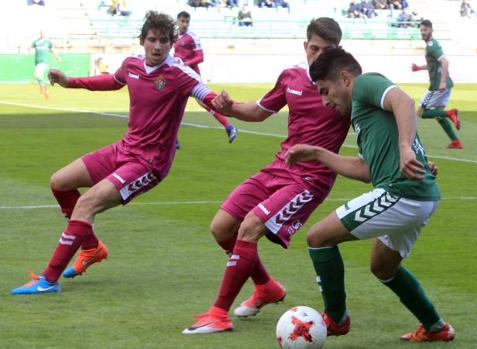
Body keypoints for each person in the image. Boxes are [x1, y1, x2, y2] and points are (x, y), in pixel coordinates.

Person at [11, 11, 225, 295]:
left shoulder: (179, 73)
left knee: (86, 204)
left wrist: (220, 103)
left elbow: (205, 94)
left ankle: (48, 280)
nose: (158, 46)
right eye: (152, 40)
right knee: (59, 182)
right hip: (124, 148)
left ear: (172, 43)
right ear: (142, 41)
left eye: (164, 41)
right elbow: (113, 80)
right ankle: (91, 247)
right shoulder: (132, 64)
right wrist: (69, 81)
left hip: (149, 164)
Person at [181, 18, 350, 335]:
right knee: (221, 227)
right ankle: (266, 287)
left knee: (250, 227)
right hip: (279, 168)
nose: (318, 56)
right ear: (305, 46)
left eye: (327, 51)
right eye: (314, 48)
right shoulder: (292, 76)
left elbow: (376, 121)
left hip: (310, 180)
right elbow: (258, 111)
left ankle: (218, 313)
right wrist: (228, 107)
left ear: (338, 52)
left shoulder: (347, 85)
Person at [285, 46, 455, 342]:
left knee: (318, 238)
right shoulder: (363, 117)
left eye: (325, 91)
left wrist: (405, 147)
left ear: (345, 79)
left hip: (402, 192)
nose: (325, 101)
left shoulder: (365, 84)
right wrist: (317, 153)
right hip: (419, 196)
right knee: (382, 266)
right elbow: (365, 170)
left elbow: (403, 100)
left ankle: (336, 319)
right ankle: (435, 327)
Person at [175, 11, 238, 144]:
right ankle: (173, 139)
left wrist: (186, 63)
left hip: (191, 76)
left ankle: (229, 126)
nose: (184, 24)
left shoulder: (192, 37)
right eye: (182, 21)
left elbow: (200, 57)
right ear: (177, 21)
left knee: (205, 103)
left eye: (187, 21)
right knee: (172, 105)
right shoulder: (175, 36)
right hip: (178, 76)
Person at [411, 19, 462, 149]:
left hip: (438, 86)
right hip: (446, 86)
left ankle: (450, 114)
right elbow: (433, 65)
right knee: (438, 114)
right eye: (421, 30)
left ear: (431, 30)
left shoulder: (431, 46)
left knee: (421, 112)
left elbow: (445, 62)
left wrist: (442, 82)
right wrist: (419, 68)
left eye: (425, 30)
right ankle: (456, 141)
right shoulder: (433, 44)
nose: (423, 32)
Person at [32, 30, 61, 99]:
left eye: (44, 33)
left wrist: (57, 57)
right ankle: (42, 88)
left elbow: (52, 50)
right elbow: (30, 47)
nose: (42, 34)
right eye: (41, 33)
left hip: (43, 62)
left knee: (36, 75)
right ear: (40, 33)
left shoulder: (48, 42)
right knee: (39, 76)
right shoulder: (36, 42)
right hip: (37, 62)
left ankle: (45, 88)